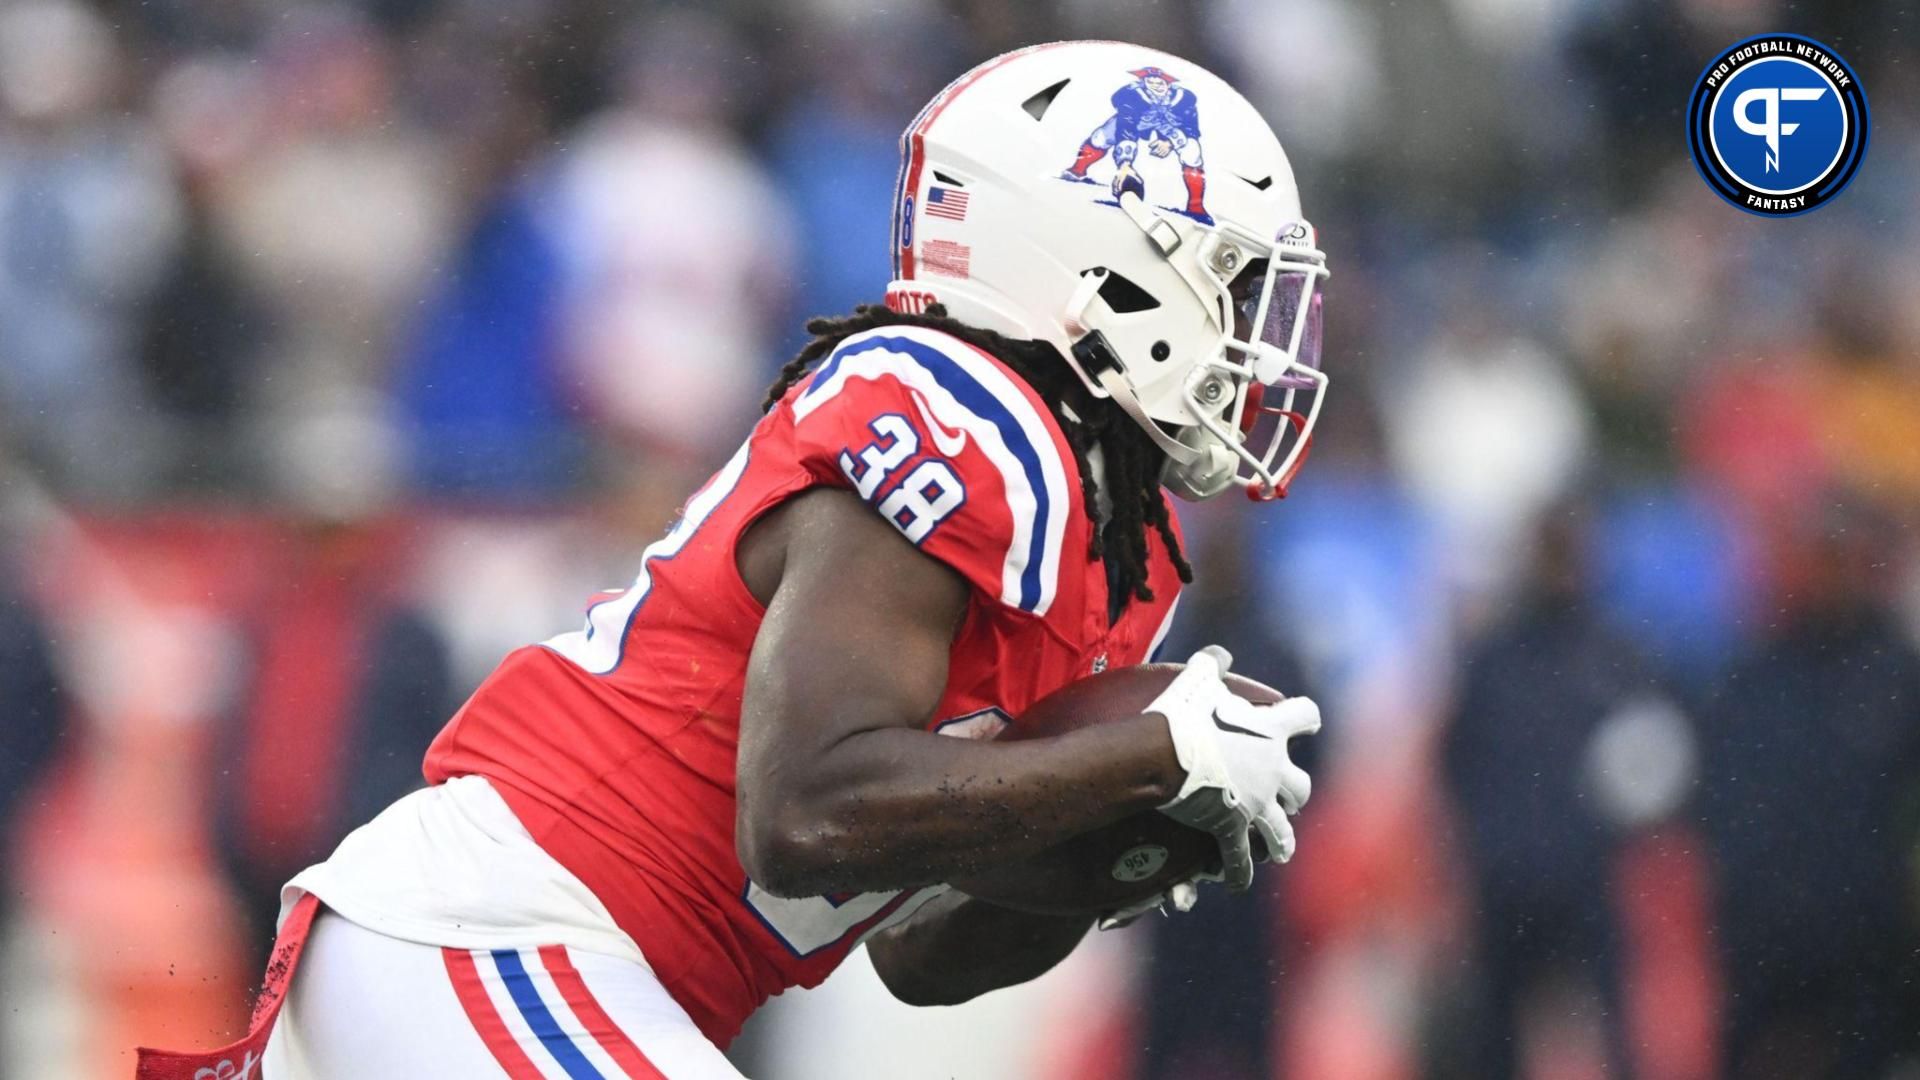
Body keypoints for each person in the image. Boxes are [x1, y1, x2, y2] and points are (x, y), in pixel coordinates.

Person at [261, 41, 1330, 1078]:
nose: (1262, 339)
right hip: (497, 927)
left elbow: (922, 959)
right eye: (1233, 286)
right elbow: (809, 814)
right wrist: (1148, 756)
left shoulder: (1115, 549)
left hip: (560, 968)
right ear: (1102, 269)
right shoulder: (963, 417)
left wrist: (1126, 845)